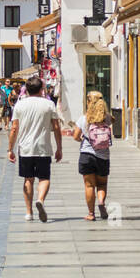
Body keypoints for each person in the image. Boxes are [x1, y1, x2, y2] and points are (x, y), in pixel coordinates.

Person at [7, 73, 62, 222]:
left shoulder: (20, 104)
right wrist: (59, 148)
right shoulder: (49, 104)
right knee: (44, 178)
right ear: (41, 88)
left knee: (28, 179)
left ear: (27, 89)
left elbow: (14, 128)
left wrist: (10, 149)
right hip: (43, 148)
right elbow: (56, 127)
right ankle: (41, 200)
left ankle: (29, 212)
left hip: (25, 148)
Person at [72, 90, 113, 220]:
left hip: (87, 155)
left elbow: (75, 136)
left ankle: (91, 214)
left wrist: (81, 140)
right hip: (103, 156)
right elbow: (113, 120)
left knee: (89, 185)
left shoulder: (83, 119)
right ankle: (101, 202)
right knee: (102, 184)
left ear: (89, 102)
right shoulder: (107, 118)